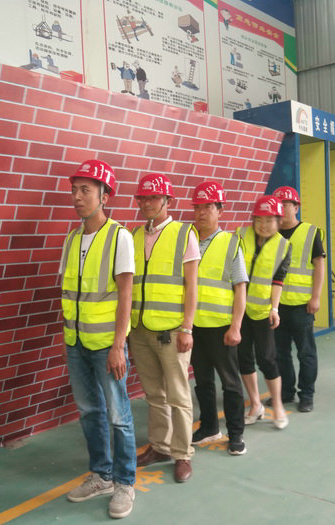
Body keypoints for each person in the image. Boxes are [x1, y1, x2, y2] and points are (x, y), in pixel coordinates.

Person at [60, 160, 137, 519]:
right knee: (89, 411)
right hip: (76, 343)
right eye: (74, 190)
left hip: (107, 344)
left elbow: (126, 296)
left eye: (85, 190)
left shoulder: (119, 237)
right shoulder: (72, 239)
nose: (77, 197)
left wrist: (119, 345)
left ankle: (124, 483)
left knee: (119, 415)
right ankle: (101, 475)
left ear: (105, 196)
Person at [129, 173, 200, 483]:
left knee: (178, 395)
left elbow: (192, 285)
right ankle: (160, 447)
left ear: (168, 201)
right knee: (154, 394)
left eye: (153, 198)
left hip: (171, 331)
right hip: (140, 329)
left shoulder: (184, 234)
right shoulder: (133, 235)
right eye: (142, 198)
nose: (147, 203)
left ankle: (183, 454)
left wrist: (188, 327)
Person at [189, 182, 248, 456]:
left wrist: (236, 326)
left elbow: (240, 288)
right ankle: (209, 427)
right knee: (202, 382)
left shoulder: (231, 243)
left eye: (208, 207)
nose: (201, 212)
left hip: (222, 327)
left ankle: (236, 435)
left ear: (220, 210)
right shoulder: (187, 240)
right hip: (194, 326)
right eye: (198, 207)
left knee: (230, 383)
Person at [236, 195, 291, 429]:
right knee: (243, 358)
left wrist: (275, 308)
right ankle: (256, 404)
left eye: (269, 220)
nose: (264, 225)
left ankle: (277, 405)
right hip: (238, 310)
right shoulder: (240, 236)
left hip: (262, 311)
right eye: (259, 219)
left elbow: (278, 280)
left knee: (267, 358)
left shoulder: (283, 246)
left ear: (278, 221)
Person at [272, 186, 326, 413]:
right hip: (276, 306)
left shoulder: (310, 232)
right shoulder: (270, 233)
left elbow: (319, 265)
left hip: (302, 305)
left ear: (296, 207)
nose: (282, 209)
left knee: (306, 353)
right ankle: (286, 392)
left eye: (287, 204)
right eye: (279, 205)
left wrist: (316, 297)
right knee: (280, 353)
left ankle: (307, 395)